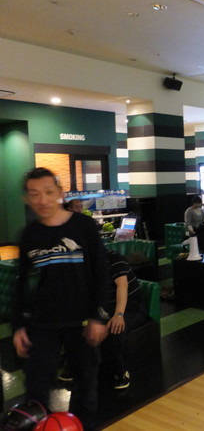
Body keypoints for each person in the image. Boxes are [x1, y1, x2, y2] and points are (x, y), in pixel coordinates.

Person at [13, 167, 110, 430]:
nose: (42, 200)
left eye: (48, 192)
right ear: (27, 198)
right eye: (34, 194)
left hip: (82, 322)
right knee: (35, 390)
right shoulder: (29, 235)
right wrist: (19, 326)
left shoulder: (83, 226)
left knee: (85, 389)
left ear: (60, 193)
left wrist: (99, 316)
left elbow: (102, 273)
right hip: (42, 324)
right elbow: (22, 284)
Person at [102, 250, 147, 390]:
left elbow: (122, 285)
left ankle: (120, 372)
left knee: (115, 330)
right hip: (107, 310)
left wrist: (119, 314)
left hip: (132, 308)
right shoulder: (88, 264)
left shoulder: (114, 258)